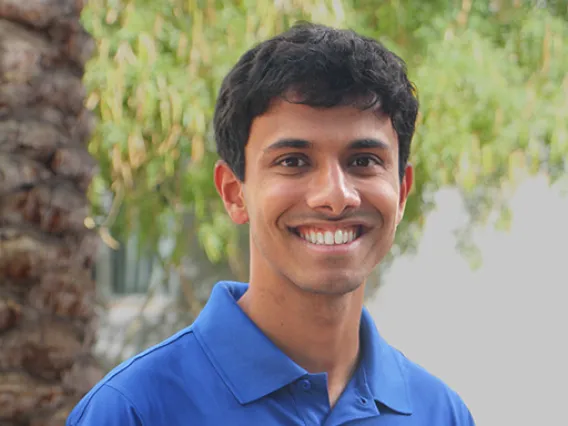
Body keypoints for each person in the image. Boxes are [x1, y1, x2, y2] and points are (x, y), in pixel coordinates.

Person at [67, 22, 475, 425]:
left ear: (402, 192)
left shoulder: (439, 412)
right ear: (233, 193)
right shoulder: (134, 410)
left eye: (363, 161)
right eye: (293, 161)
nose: (334, 197)